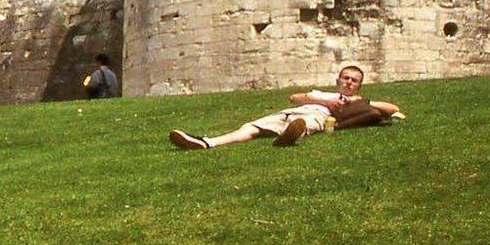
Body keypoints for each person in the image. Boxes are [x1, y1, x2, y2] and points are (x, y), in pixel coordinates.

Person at [169, 64, 402, 150]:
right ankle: (206, 142)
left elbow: (392, 108)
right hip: (295, 110)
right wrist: (325, 100)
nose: (349, 82)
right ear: (338, 80)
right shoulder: (322, 93)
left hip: (318, 116)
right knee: (250, 128)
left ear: (359, 85)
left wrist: (358, 102)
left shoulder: (359, 101)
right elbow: (295, 97)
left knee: (306, 124)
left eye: (354, 80)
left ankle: (290, 135)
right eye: (346, 78)